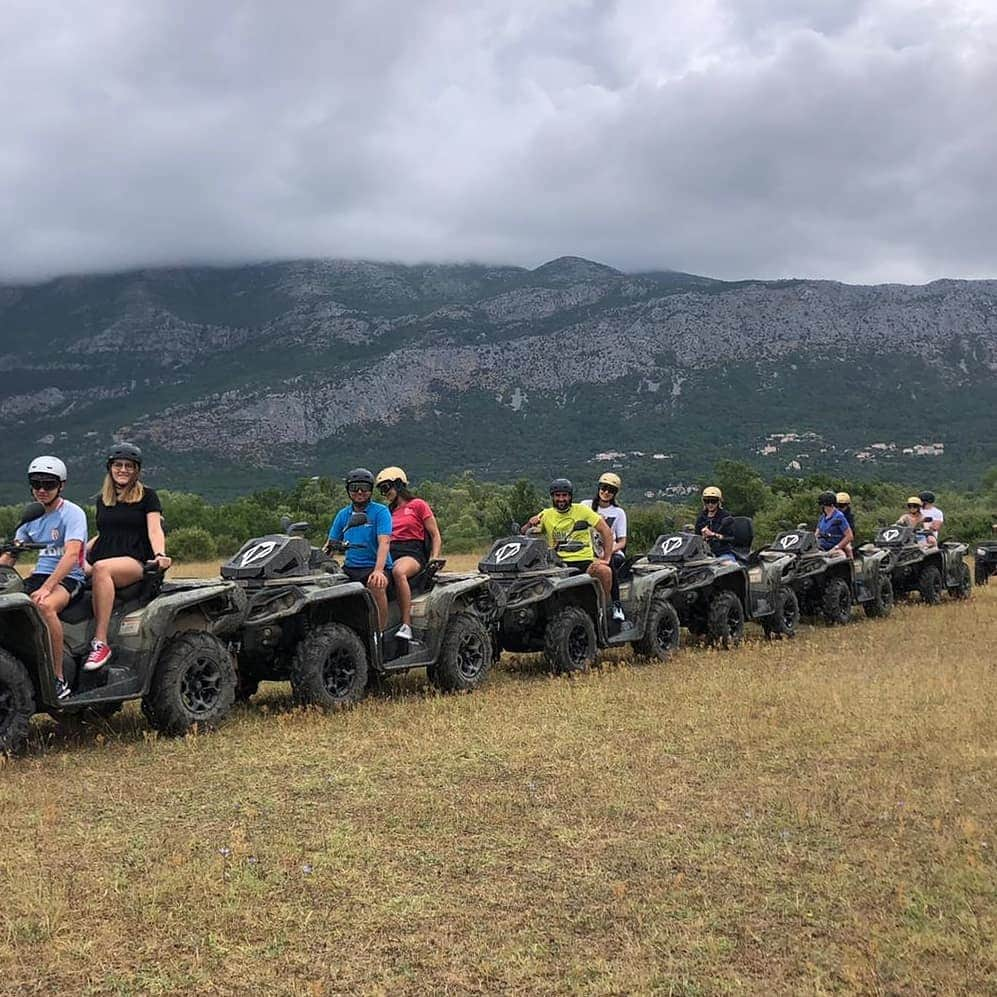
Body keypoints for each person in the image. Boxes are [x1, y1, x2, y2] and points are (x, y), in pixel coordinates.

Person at [0, 457, 87, 700]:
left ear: (61, 485)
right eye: (36, 483)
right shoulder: (32, 516)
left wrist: (48, 588)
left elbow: (71, 556)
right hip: (39, 575)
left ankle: (58, 680)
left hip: (69, 577)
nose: (41, 490)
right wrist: (10, 552)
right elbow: (9, 559)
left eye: (48, 484)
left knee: (44, 606)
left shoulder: (72, 513)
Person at [84, 443, 170, 670]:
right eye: (118, 465)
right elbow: (105, 533)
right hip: (106, 554)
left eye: (129, 466)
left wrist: (161, 554)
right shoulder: (103, 500)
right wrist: (80, 551)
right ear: (110, 468)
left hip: (134, 559)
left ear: (136, 470)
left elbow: (154, 528)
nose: (123, 470)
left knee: (101, 568)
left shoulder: (148, 496)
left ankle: (100, 642)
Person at [523, 478, 615, 606]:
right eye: (557, 496)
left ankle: (602, 609)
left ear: (570, 496)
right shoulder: (546, 514)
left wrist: (607, 557)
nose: (561, 499)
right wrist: (529, 524)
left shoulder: (582, 510)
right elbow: (526, 534)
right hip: (556, 564)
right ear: (552, 497)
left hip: (583, 562)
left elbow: (606, 531)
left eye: (564, 495)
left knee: (604, 571)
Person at [375, 466, 441, 640]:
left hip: (413, 552)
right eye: (381, 490)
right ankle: (379, 631)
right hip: (391, 551)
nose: (384, 493)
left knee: (398, 571)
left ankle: (406, 625)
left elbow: (435, 535)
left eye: (386, 488)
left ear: (398, 484)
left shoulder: (418, 505)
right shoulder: (387, 512)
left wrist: (434, 557)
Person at [327, 468, 393, 629]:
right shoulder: (343, 514)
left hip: (375, 566)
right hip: (350, 567)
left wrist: (378, 570)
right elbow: (331, 543)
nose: (359, 491)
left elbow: (384, 542)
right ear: (348, 490)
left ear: (371, 490)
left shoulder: (380, 511)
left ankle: (380, 633)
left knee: (376, 584)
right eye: (354, 487)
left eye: (364, 487)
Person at [580, 472, 628, 621]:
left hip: (612, 552)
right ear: (599, 488)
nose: (606, 492)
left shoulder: (618, 513)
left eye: (611, 490)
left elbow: (622, 541)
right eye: (604, 488)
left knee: (610, 563)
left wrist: (608, 552)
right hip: (588, 550)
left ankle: (616, 604)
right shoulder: (585, 506)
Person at [694, 486, 737, 562]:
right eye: (707, 501)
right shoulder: (701, 517)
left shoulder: (725, 517)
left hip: (723, 553)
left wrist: (713, 535)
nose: (710, 504)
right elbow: (696, 537)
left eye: (713, 501)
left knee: (730, 566)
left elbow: (731, 538)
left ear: (718, 501)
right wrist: (702, 537)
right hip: (704, 554)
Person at [816, 490, 853, 558]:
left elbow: (849, 536)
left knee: (842, 556)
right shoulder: (822, 517)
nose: (824, 508)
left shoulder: (839, 517)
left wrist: (836, 547)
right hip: (821, 546)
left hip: (834, 547)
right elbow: (817, 533)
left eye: (826, 506)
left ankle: (851, 564)